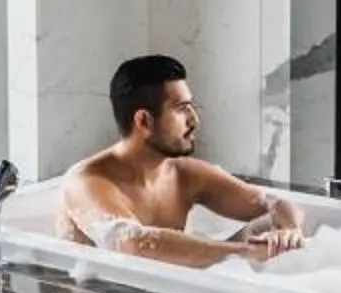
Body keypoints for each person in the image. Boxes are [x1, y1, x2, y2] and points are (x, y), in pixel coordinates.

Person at [59, 55, 304, 268]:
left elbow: (275, 203)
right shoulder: (86, 181)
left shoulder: (184, 174)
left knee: (270, 228)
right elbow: (133, 243)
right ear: (144, 120)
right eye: (181, 109)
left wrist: (288, 232)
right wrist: (244, 253)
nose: (194, 120)